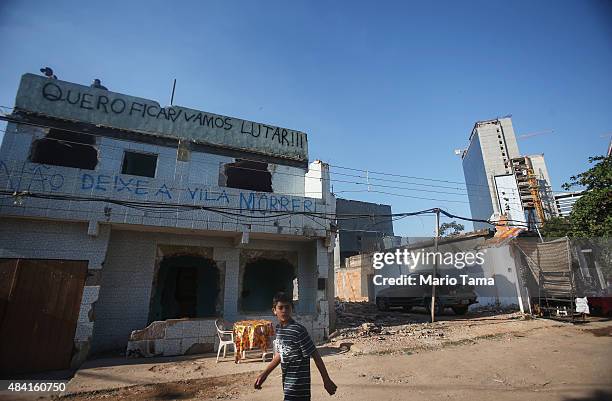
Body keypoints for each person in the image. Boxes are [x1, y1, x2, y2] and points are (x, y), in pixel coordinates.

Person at [255, 292, 337, 400]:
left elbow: (315, 354)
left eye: (287, 307)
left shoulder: (298, 330)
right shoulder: (279, 330)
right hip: (288, 385)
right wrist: (264, 374)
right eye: (280, 307)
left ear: (292, 309)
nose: (284, 310)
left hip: (299, 387)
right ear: (274, 310)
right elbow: (280, 355)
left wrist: (326, 380)